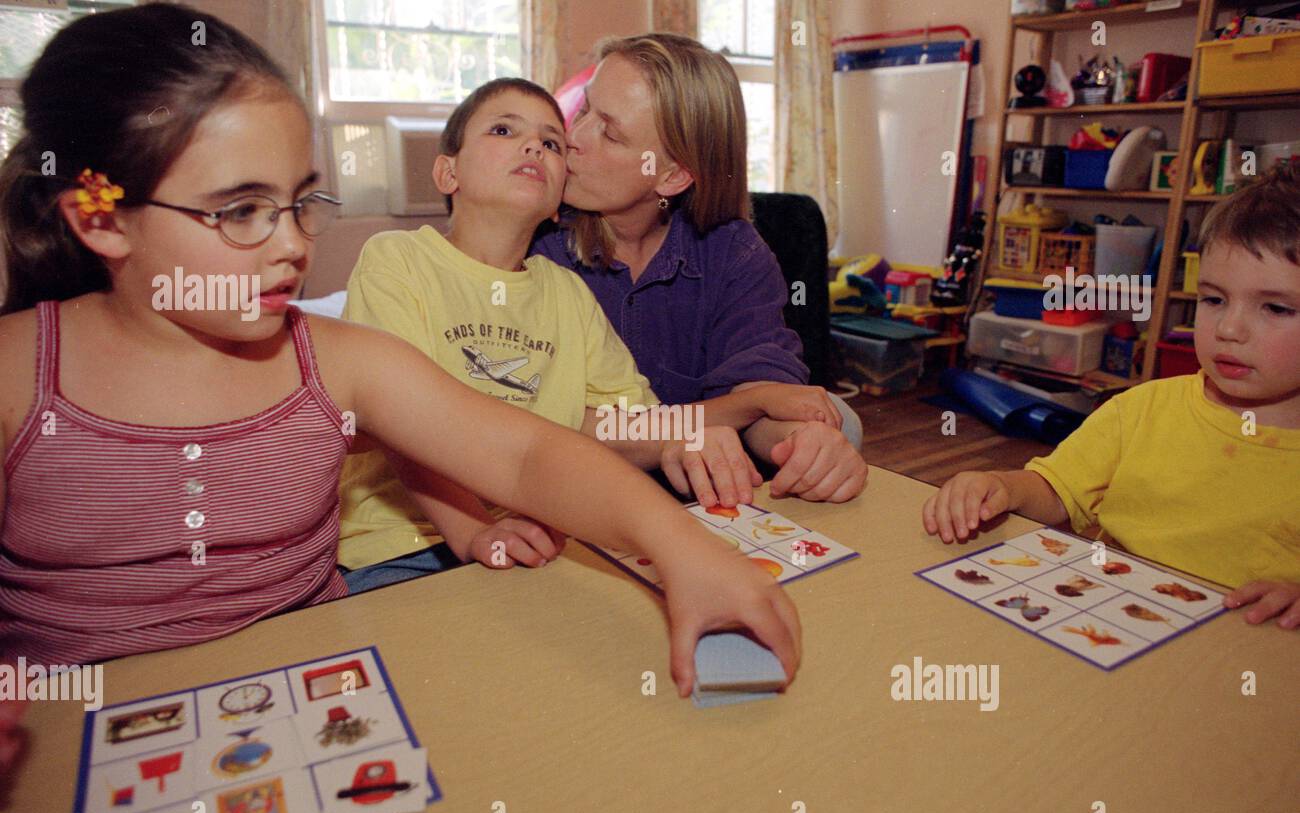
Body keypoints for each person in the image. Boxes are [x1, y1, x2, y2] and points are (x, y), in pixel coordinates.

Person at [0, 4, 802, 696]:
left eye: (301, 201)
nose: (293, 243)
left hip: (310, 694)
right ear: (100, 217)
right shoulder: (16, 373)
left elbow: (526, 453)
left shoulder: (336, 360)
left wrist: (681, 548)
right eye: (242, 209)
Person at [337, 78, 838, 590]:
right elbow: (400, 422)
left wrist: (747, 406)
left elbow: (627, 427)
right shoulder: (396, 259)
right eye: (504, 129)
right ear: (448, 171)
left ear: (560, 198)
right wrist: (473, 532)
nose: (533, 145)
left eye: (551, 143)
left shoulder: (568, 294)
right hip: (406, 545)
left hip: (542, 541)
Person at [922, 165, 1300, 629]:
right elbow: (1056, 491)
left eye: (1276, 308)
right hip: (1110, 625)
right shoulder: (1139, 410)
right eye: (1214, 300)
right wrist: (1002, 486)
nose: (1228, 329)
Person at [531, 33, 868, 504]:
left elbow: (765, 396)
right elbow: (555, 428)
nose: (572, 138)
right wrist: (741, 408)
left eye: (609, 131)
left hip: (695, 509)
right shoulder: (534, 246)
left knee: (837, 423)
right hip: (568, 505)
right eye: (584, 110)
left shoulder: (734, 253)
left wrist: (804, 443)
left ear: (672, 176)